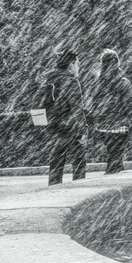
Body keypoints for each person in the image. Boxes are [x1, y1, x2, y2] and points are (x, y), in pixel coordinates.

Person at [89, 49, 132, 174]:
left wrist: (95, 125)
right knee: (116, 157)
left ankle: (113, 175)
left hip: (103, 128)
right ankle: (112, 178)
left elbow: (94, 106)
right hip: (120, 127)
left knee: (113, 155)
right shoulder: (123, 83)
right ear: (117, 63)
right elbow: (131, 108)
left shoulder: (98, 84)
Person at [45, 49, 88, 186]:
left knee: (56, 164)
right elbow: (77, 109)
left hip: (54, 130)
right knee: (79, 162)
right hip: (71, 130)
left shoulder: (49, 81)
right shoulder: (71, 82)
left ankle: (53, 191)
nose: (79, 67)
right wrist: (83, 131)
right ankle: (78, 190)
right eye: (78, 64)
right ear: (71, 65)